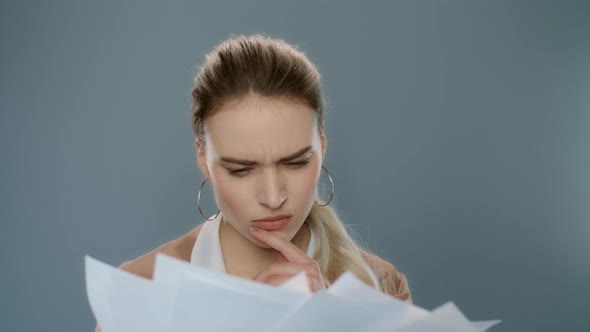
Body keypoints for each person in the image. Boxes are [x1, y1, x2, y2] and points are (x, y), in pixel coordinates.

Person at [95, 33, 411, 332]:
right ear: (203, 158)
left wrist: (332, 321)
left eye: (295, 162)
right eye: (241, 169)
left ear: (323, 145)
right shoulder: (140, 288)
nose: (273, 197)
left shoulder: (380, 285)